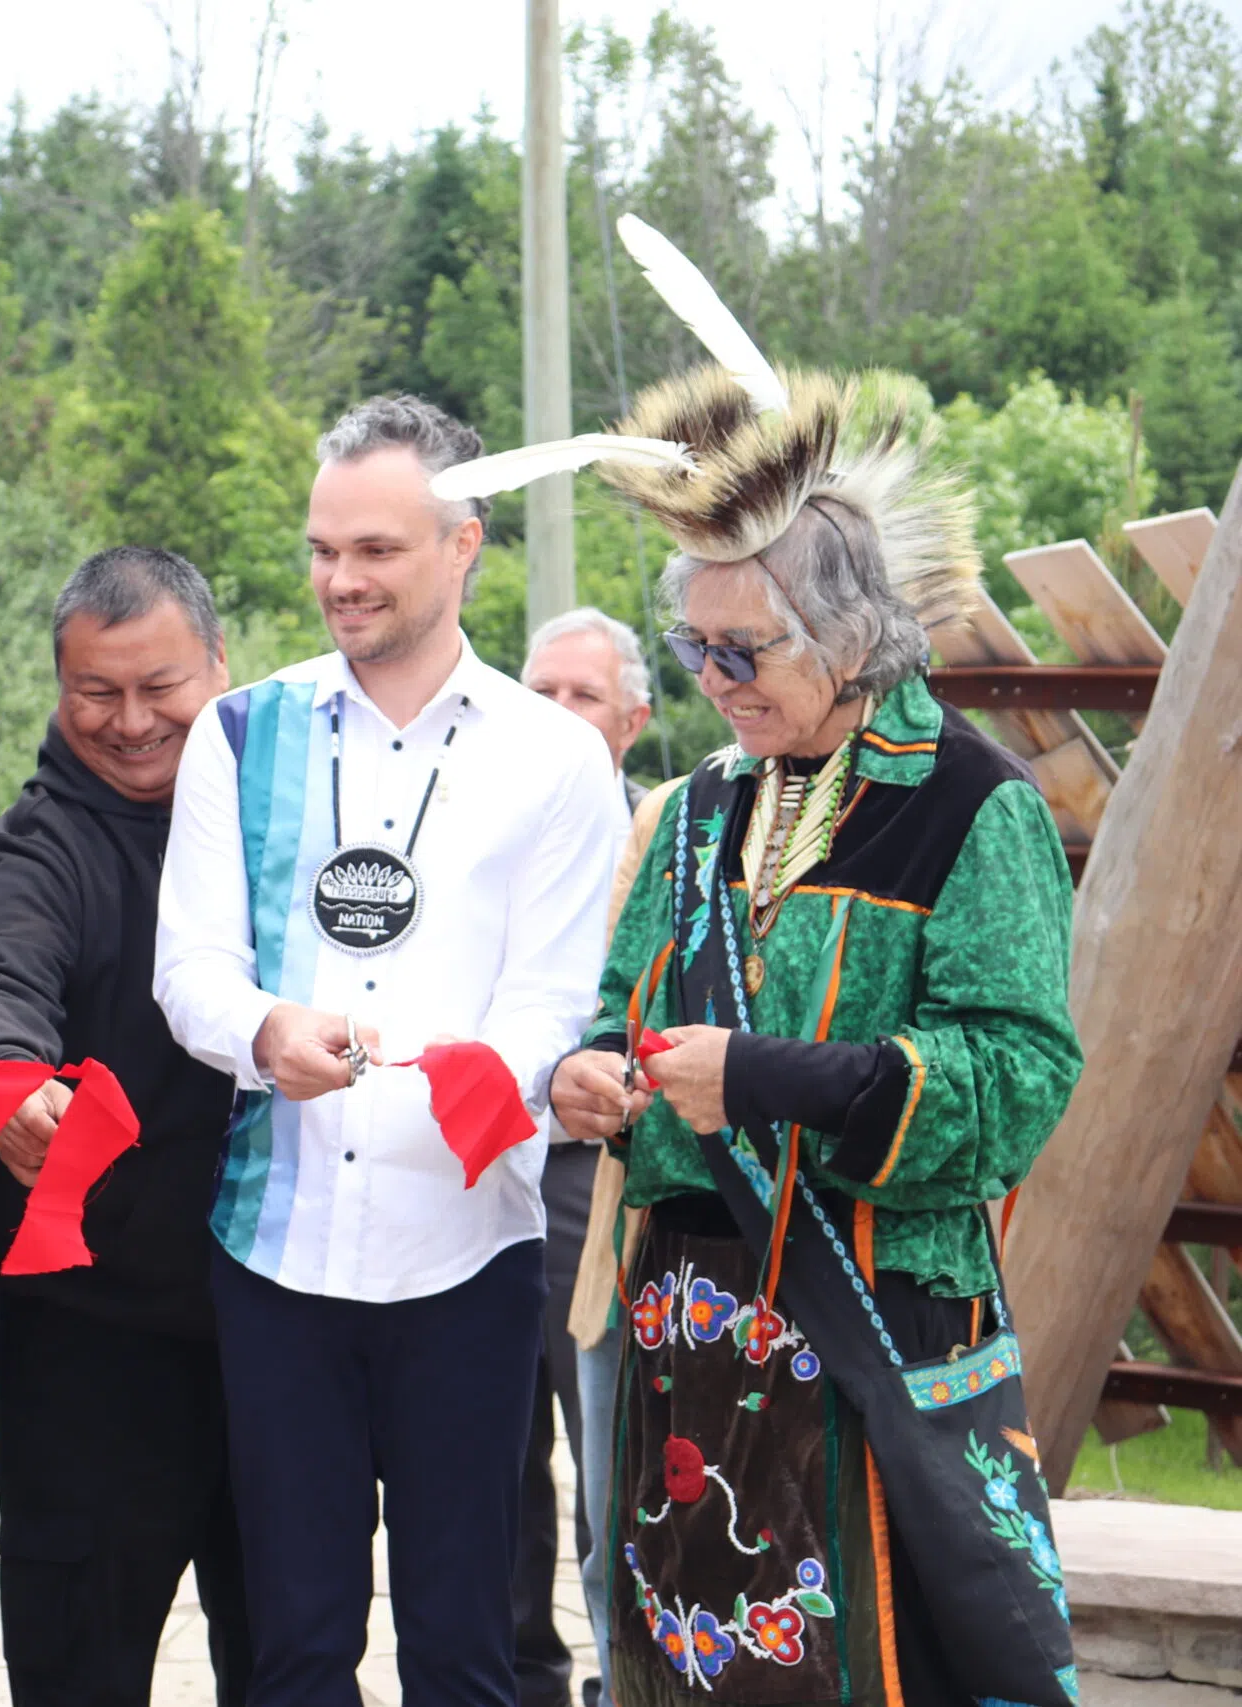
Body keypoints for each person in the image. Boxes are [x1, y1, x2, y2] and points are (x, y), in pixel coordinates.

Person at [467, 321, 1081, 1700]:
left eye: (745, 653)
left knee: (886, 1661)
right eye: (697, 652)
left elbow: (1022, 1074)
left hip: (872, 1325)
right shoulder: (691, 813)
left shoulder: (973, 809)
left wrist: (768, 1076)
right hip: (689, 1344)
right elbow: (623, 1009)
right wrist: (591, 1077)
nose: (717, 684)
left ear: (850, 637)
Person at [155, 395, 627, 1706]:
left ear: (464, 543)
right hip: (274, 1255)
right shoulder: (242, 733)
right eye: (322, 549)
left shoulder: (556, 758)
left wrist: (473, 1066)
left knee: (466, 1646)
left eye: (376, 549)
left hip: (469, 1253)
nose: (340, 579)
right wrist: (265, 1028)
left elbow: (555, 999)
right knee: (293, 1647)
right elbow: (187, 968)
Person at [0, 546, 252, 1707]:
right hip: (94, 1342)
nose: (128, 722)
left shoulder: (290, 826)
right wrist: (5, 1075)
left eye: (160, 686)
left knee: (295, 1664)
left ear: (220, 664)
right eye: (94, 691)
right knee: (73, 1673)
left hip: (281, 1333)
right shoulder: (41, 842)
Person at [514, 607, 655, 1707]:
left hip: (602, 1184)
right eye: (540, 691)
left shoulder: (663, 842)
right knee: (488, 1460)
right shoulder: (479, 828)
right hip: (479, 1173)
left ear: (635, 720)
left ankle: (628, 1675)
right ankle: (517, 1678)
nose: (557, 715)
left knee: (613, 1460)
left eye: (584, 696)